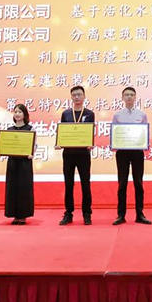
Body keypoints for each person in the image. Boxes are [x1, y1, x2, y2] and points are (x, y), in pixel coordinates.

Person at [112, 87, 152, 225]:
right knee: (122, 184)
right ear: (122, 98)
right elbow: (115, 133)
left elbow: (145, 133)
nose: (129, 97)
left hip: (137, 152)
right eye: (126, 95)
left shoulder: (142, 114)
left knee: (138, 183)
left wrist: (145, 143)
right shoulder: (117, 115)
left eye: (131, 95)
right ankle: (121, 215)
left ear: (135, 97)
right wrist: (114, 143)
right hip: (122, 152)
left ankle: (140, 214)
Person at [58, 86, 95, 225]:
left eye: (79, 94)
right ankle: (68, 213)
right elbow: (63, 132)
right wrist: (60, 142)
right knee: (68, 184)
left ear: (84, 96)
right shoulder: (66, 114)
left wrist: (90, 143)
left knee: (85, 183)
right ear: (71, 97)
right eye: (74, 95)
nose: (77, 97)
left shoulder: (89, 114)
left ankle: (87, 213)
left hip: (83, 154)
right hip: (68, 154)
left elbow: (90, 131)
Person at [4, 104, 34, 225]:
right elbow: (6, 145)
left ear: (24, 114)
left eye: (20, 112)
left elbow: (34, 145)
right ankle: (14, 215)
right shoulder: (9, 130)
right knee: (12, 187)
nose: (17, 114)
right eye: (15, 112)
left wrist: (31, 153)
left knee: (24, 187)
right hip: (12, 162)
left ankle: (23, 216)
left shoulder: (30, 129)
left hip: (24, 162)